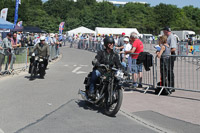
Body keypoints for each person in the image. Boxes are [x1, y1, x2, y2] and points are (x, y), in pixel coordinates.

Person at [163, 27, 177, 91]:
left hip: (171, 55)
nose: (163, 32)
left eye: (164, 31)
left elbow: (173, 48)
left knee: (170, 71)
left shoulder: (171, 37)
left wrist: (167, 52)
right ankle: (169, 85)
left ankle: (171, 86)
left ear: (166, 31)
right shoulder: (168, 37)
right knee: (168, 71)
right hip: (168, 55)